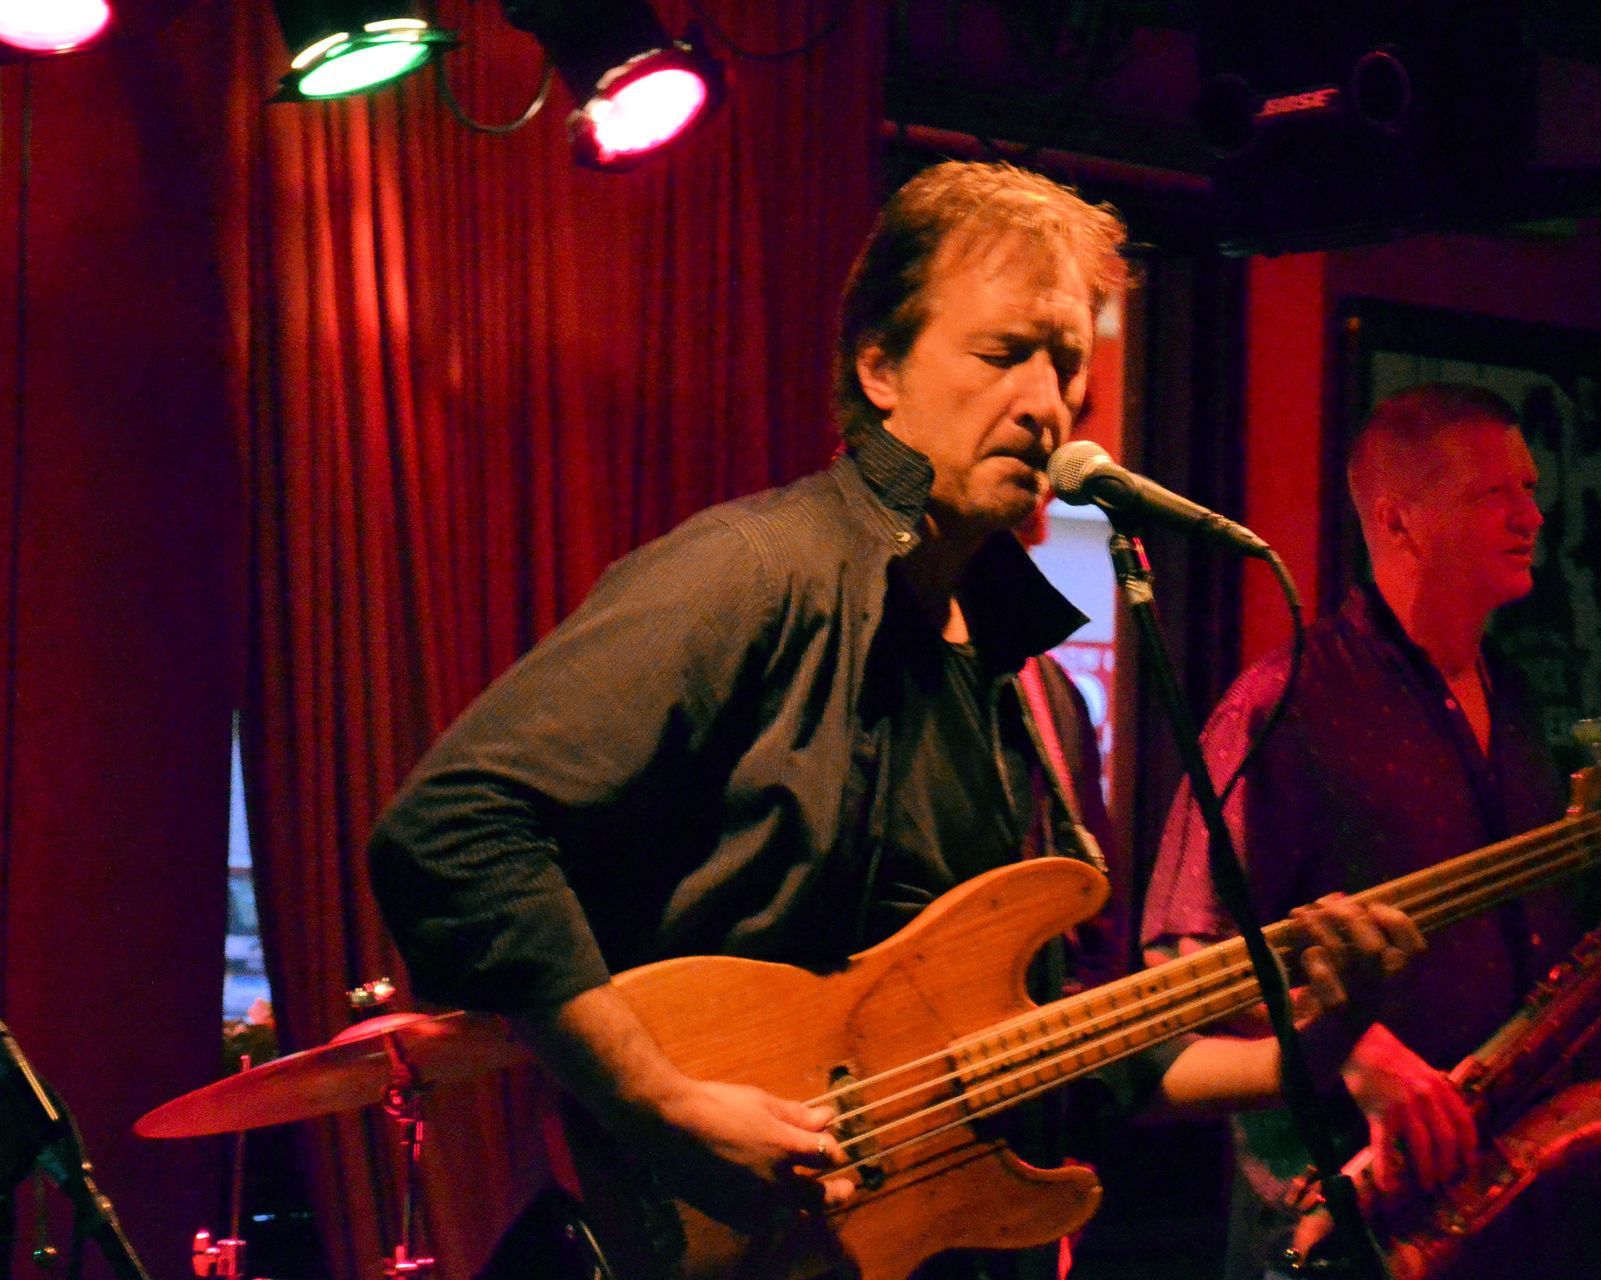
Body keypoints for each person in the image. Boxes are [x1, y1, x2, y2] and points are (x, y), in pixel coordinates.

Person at [367, 160, 1420, 1280]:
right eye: (1003, 352)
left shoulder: (1036, 692)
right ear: (879, 367)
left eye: (1067, 363)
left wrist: (1302, 1041)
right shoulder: (753, 572)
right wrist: (658, 1095)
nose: (1047, 400)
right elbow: (455, 826)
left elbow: (1048, 1052)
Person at [1142, 383, 1601, 1280]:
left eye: (1531, 489)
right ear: (1399, 519)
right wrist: (1347, 1046)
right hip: (1342, 1228)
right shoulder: (1281, 704)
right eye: (1492, 495)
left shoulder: (1521, 704)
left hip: (1503, 1216)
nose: (1531, 517)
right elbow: (1181, 974)